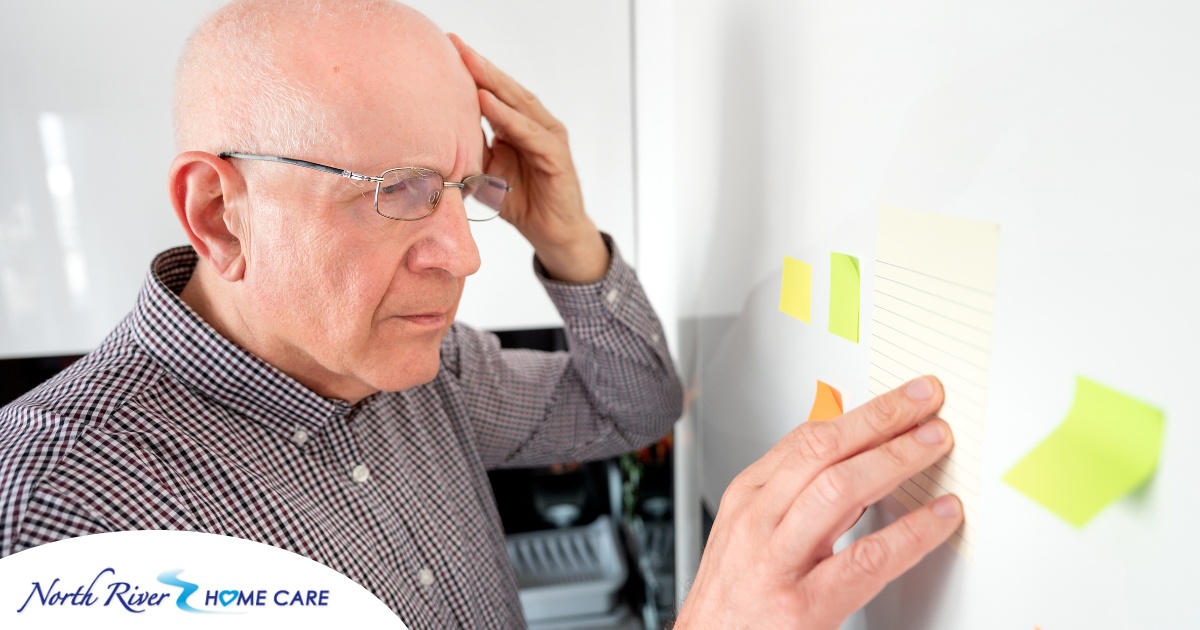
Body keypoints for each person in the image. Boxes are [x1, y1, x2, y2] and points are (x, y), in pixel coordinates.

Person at [0, 1, 962, 628]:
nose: (462, 253)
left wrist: (568, 235)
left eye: (465, 189)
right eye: (402, 190)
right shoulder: (59, 516)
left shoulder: (422, 372)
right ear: (220, 214)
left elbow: (632, 406)